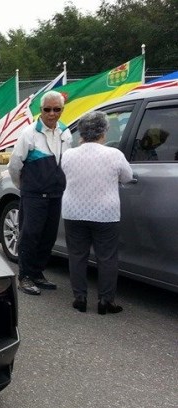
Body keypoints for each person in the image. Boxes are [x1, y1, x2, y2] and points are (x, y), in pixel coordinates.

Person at [61, 111, 134, 314]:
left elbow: (64, 174)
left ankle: (80, 298)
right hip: (105, 213)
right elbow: (128, 177)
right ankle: (105, 301)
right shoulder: (114, 154)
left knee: (77, 256)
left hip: (74, 211)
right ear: (104, 132)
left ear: (81, 133)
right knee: (107, 258)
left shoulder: (68, 155)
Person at [8, 91, 72, 295]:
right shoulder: (29, 134)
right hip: (34, 194)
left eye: (57, 109)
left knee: (48, 237)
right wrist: (24, 187)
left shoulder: (65, 132)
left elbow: (67, 162)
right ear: (40, 110)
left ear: (62, 110)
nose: (52, 114)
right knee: (30, 236)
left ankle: (37, 273)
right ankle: (24, 277)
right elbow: (14, 165)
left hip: (55, 194)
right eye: (47, 109)